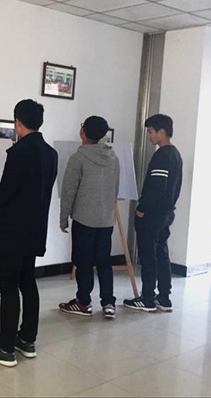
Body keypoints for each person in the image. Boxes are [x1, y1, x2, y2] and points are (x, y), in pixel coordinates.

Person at [0, 99, 57, 367]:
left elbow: (7, 190)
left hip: (13, 230)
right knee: (27, 282)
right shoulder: (50, 153)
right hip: (35, 228)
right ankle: (27, 339)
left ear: (18, 122)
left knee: (9, 286)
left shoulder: (20, 151)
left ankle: (5, 347)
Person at [59, 116, 120, 319]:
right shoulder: (114, 158)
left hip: (84, 219)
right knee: (104, 261)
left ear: (82, 132)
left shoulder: (78, 158)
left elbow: (69, 191)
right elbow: (115, 189)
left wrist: (63, 217)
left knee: (83, 262)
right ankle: (109, 303)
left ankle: (83, 302)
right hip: (106, 220)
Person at [124, 114, 182, 313]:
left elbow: (157, 186)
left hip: (153, 215)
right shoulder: (175, 154)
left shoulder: (162, 155)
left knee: (148, 256)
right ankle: (164, 298)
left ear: (161, 132)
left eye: (150, 132)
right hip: (167, 212)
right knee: (161, 253)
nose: (149, 136)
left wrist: (142, 209)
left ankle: (147, 298)